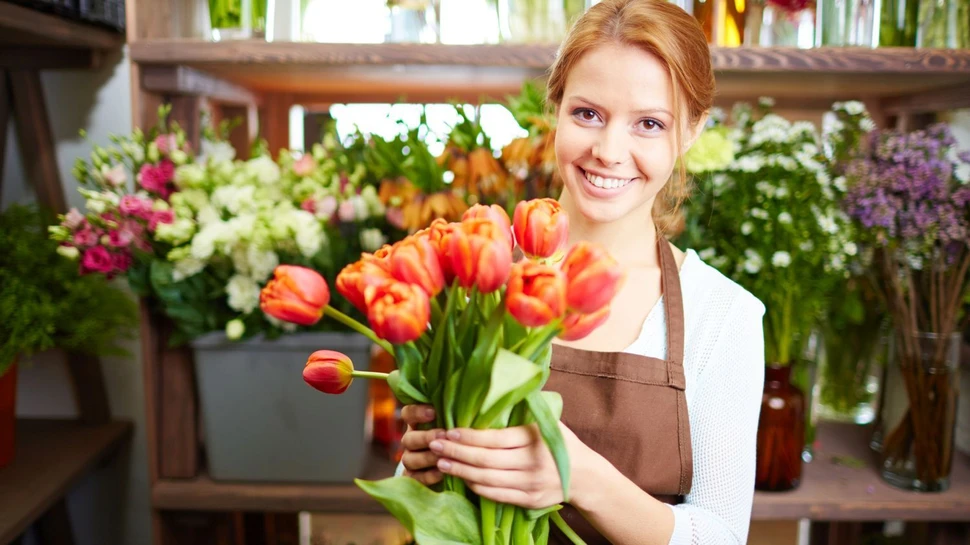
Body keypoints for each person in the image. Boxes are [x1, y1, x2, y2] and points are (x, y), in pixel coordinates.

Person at [398, 0, 766, 543]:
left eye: (648, 123)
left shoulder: (723, 317)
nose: (608, 151)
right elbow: (413, 498)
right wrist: (422, 469)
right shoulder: (477, 276)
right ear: (556, 107)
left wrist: (580, 479)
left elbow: (721, 536)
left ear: (690, 131)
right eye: (587, 114)